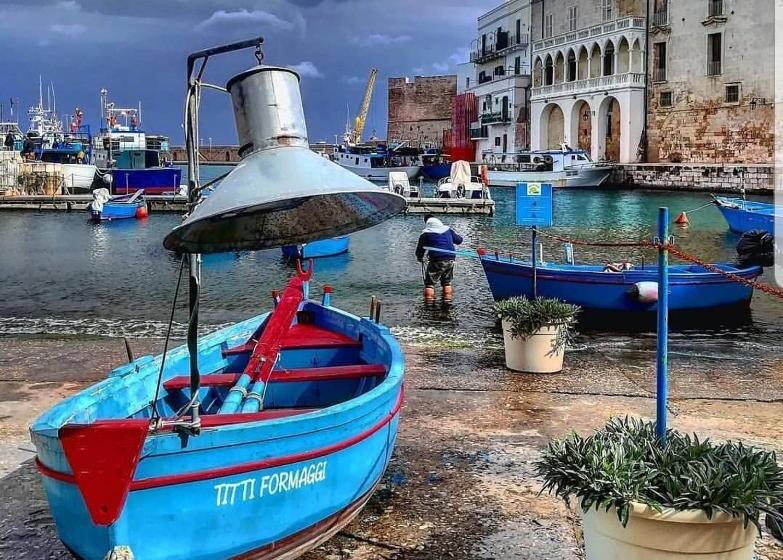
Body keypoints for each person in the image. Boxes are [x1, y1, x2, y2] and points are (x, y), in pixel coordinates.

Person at [415, 215, 463, 302]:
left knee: (429, 284)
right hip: (450, 259)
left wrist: (420, 258)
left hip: (436, 260)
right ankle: (448, 301)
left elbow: (420, 250)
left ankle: (428, 304)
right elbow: (459, 240)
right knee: (447, 282)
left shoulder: (425, 234)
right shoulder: (448, 230)